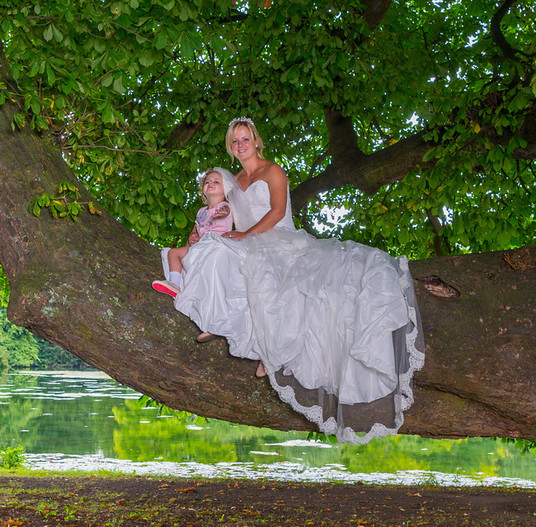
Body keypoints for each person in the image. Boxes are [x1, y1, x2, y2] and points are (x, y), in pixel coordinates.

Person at [169, 117, 424, 444]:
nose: (241, 145)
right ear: (230, 148)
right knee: (222, 259)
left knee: (284, 283)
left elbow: (276, 212)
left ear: (256, 141)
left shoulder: (272, 170)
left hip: (279, 239)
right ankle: (217, 319)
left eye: (245, 139)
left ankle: (270, 353)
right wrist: (199, 231)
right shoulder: (232, 181)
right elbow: (219, 213)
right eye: (235, 141)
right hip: (248, 242)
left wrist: (245, 235)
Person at [152, 169, 233, 298]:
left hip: (215, 248)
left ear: (225, 189)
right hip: (200, 248)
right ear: (203, 189)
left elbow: (227, 211)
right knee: (173, 253)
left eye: (216, 182)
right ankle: (174, 284)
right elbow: (195, 230)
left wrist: (224, 212)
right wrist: (191, 240)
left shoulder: (224, 206)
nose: (211, 183)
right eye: (207, 182)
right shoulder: (201, 212)